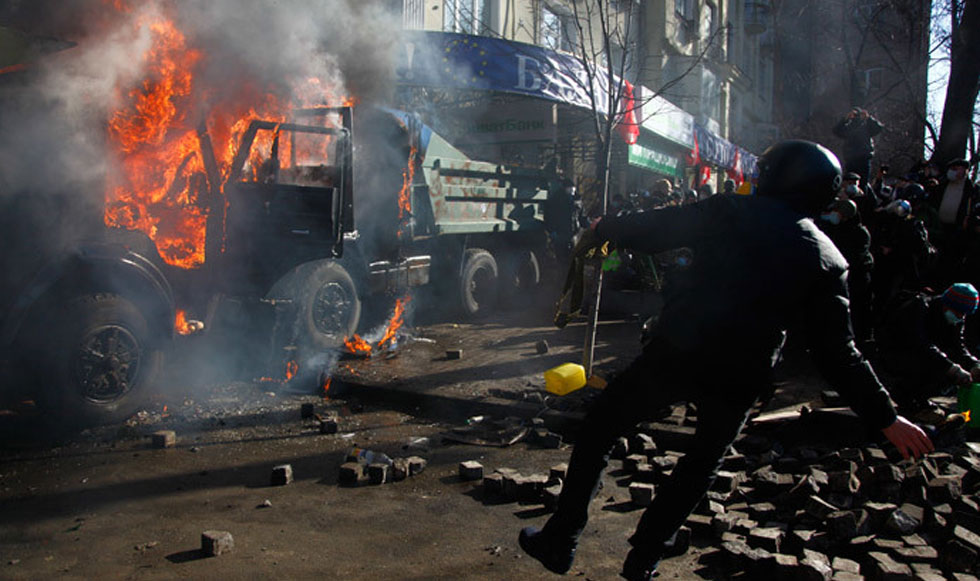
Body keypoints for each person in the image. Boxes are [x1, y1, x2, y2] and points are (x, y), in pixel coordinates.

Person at [518, 140, 933, 581]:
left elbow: (658, 227)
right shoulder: (828, 260)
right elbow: (838, 354)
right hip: (742, 373)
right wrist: (888, 418)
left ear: (772, 175)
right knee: (700, 463)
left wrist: (605, 229)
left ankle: (561, 540)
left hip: (678, 351)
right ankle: (645, 556)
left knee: (601, 429)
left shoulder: (728, 211)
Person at [877, 283, 980, 416]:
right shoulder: (919, 307)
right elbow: (920, 344)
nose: (961, 317)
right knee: (940, 368)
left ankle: (920, 399)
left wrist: (973, 364)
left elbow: (957, 347)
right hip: (896, 353)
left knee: (947, 372)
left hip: (925, 353)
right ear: (947, 304)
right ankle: (905, 396)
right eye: (959, 312)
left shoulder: (955, 318)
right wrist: (952, 368)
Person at [832, 107, 883, 185]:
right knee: (849, 182)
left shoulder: (867, 127)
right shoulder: (848, 128)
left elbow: (879, 128)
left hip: (863, 159)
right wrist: (845, 119)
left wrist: (869, 118)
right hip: (851, 159)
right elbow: (836, 131)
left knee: (863, 183)